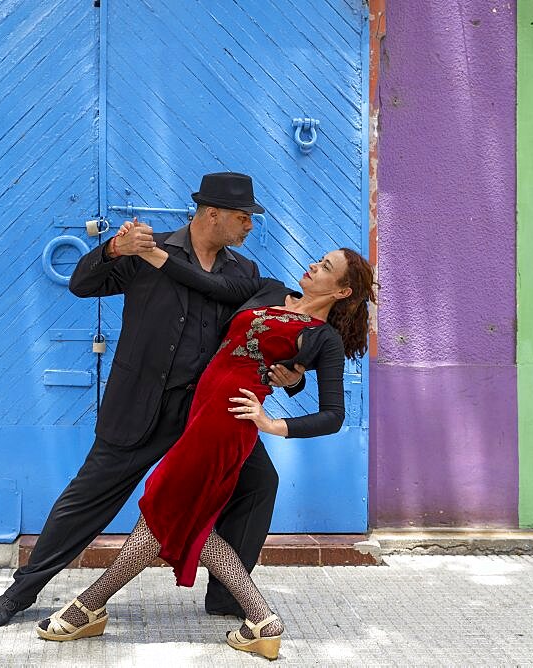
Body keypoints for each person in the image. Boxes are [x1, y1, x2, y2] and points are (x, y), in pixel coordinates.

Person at [0, 172, 306, 630]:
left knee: (258, 482)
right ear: (212, 214)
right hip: (140, 404)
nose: (249, 225)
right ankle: (20, 592)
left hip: (205, 416)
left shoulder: (245, 274)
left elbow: (261, 339)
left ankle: (228, 595)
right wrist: (113, 249)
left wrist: (290, 380)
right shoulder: (150, 251)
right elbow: (82, 284)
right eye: (242, 216)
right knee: (89, 496)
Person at [36, 239, 376, 661]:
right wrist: (149, 253)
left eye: (325, 266)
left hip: (224, 426)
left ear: (341, 291)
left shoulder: (322, 339)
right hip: (199, 414)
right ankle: (263, 621)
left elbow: (333, 415)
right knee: (190, 522)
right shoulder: (269, 289)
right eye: (319, 259)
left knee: (162, 511)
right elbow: (202, 283)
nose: (313, 265)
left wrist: (273, 424)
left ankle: (86, 608)